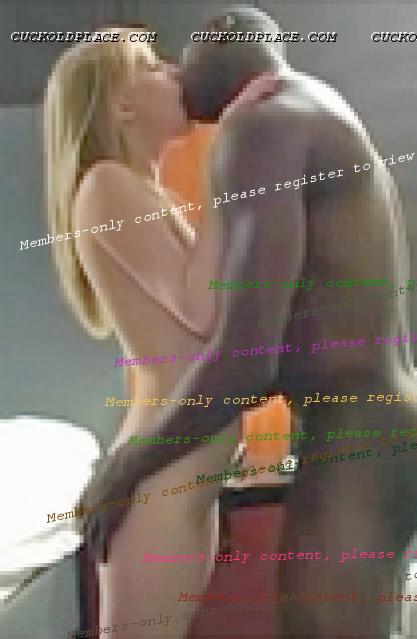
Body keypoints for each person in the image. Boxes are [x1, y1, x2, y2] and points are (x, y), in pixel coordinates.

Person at [81, 8, 417, 638]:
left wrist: (126, 465)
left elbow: (246, 358)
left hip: (364, 433)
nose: (176, 71)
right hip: (383, 424)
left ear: (223, 39)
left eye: (181, 55)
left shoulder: (262, 127)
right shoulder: (308, 107)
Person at [43, 26, 277, 637]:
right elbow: (204, 311)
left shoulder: (141, 192)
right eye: (152, 65)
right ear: (122, 104)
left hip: (183, 471)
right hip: (164, 475)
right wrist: (231, 152)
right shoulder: (107, 186)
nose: (175, 73)